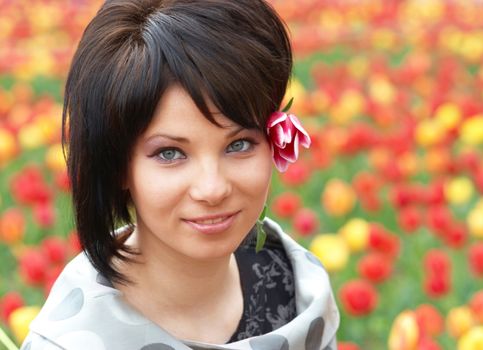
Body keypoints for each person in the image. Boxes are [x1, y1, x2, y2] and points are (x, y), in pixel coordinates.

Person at [22, 0, 339, 349]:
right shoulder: (72, 341)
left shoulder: (298, 290)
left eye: (239, 145)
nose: (212, 188)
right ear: (118, 165)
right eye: (169, 153)